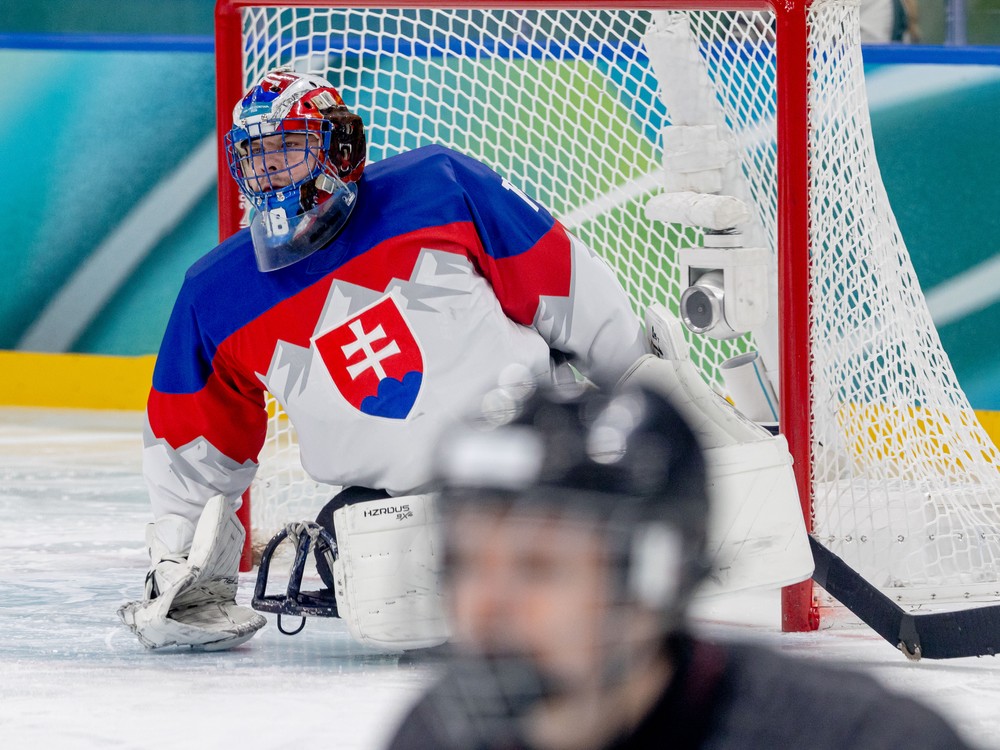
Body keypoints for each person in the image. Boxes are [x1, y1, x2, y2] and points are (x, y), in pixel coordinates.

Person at [117, 67, 648, 651]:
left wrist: (645, 391)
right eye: (256, 156)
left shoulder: (441, 186)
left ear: (340, 149)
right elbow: (193, 437)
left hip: (537, 469)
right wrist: (179, 554)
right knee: (397, 608)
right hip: (381, 518)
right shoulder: (215, 292)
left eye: (289, 149)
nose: (268, 171)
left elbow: (566, 286)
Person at [386, 383, 975, 750]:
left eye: (539, 567)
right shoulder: (433, 732)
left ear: (657, 580)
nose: (485, 605)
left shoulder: (860, 739)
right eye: (465, 563)